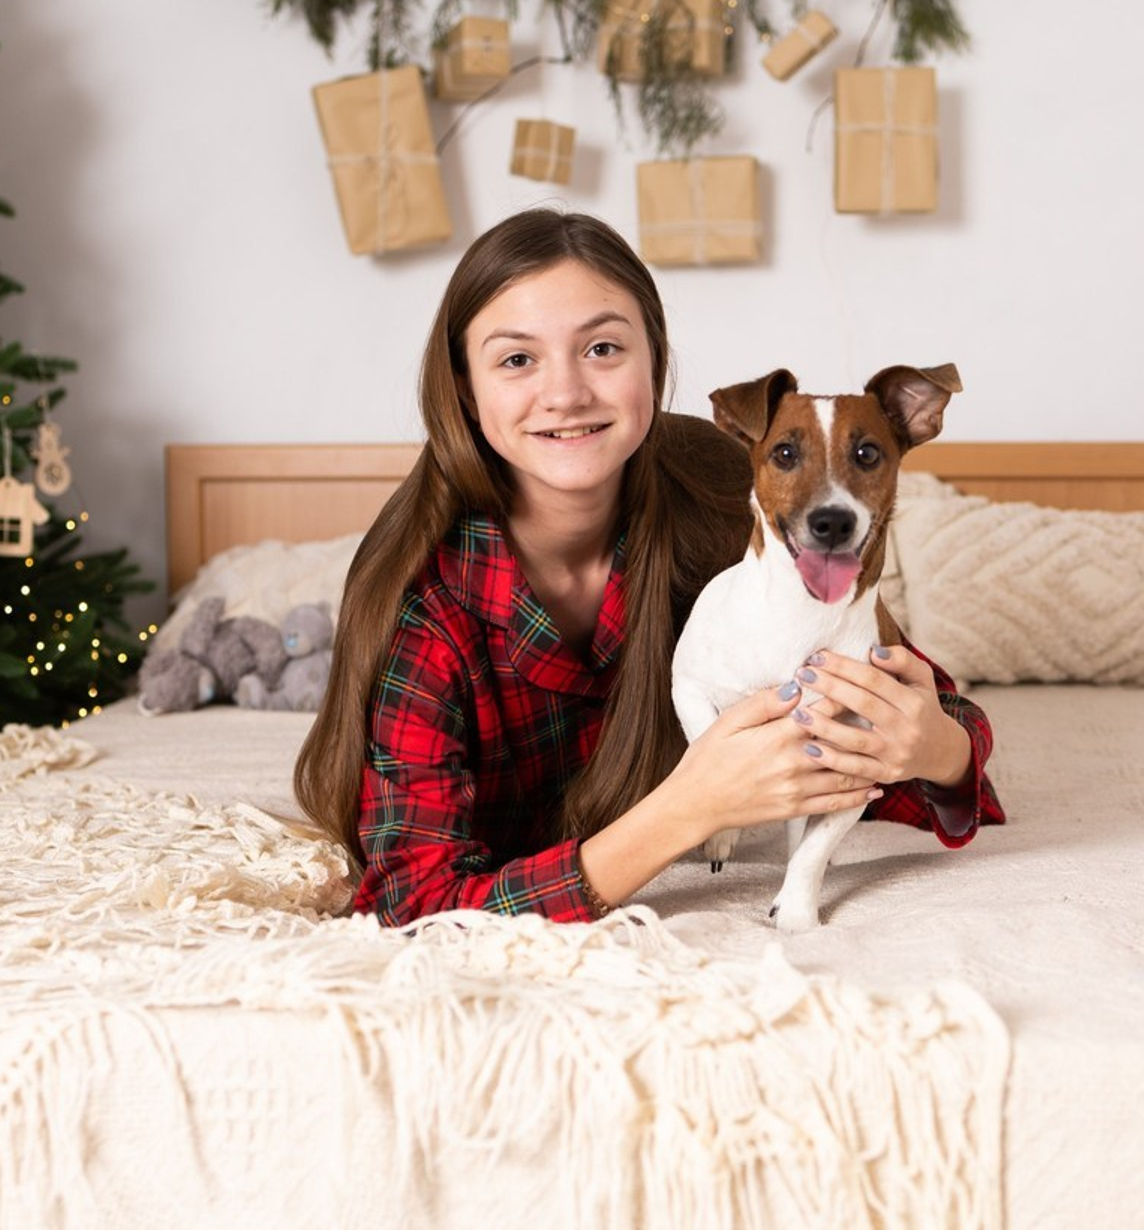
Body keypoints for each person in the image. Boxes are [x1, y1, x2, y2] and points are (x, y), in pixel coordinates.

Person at [295, 209, 1003, 926]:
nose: (566, 393)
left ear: (655, 364)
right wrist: (693, 807)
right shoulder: (429, 606)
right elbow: (414, 905)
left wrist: (938, 749)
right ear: (466, 390)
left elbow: (916, 735)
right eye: (516, 359)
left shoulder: (738, 505)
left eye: (602, 348)